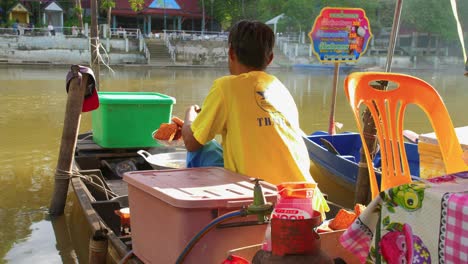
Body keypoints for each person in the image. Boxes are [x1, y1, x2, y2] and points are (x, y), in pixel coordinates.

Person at [181, 20, 329, 215]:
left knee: (202, 149)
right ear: (270, 59)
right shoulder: (280, 89)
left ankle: (198, 216)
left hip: (265, 202)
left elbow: (192, 142)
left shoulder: (226, 87)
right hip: (308, 202)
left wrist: (189, 117)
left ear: (231, 53)